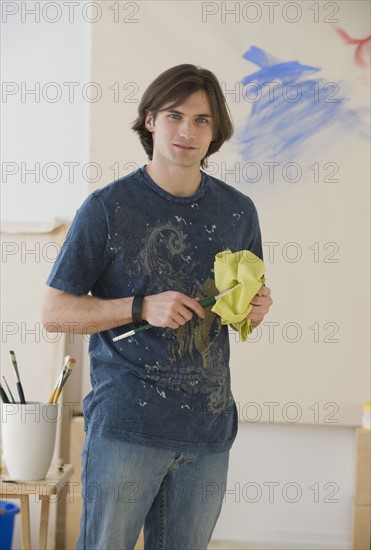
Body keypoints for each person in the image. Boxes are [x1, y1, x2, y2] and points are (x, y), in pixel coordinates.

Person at [42, 64, 272, 550]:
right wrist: (141, 306)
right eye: (174, 115)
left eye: (202, 120)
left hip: (208, 431)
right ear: (150, 121)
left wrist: (252, 307)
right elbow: (55, 312)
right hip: (126, 428)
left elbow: (237, 304)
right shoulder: (107, 208)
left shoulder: (238, 211)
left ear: (217, 131)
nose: (188, 131)